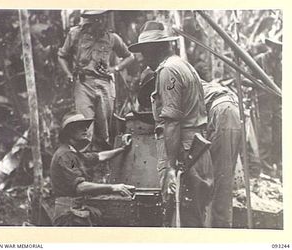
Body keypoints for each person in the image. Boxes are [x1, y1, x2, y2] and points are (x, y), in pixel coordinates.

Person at [129, 21, 213, 227]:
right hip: (195, 146)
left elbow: (172, 122)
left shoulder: (168, 71)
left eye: (145, 52)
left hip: (184, 150)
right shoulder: (183, 65)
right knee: (194, 213)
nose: (143, 58)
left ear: (155, 49)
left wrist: (170, 167)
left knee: (180, 216)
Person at [58, 10, 134, 151]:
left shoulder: (111, 38)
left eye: (103, 18)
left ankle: (102, 164)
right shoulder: (75, 34)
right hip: (83, 83)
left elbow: (130, 56)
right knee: (84, 126)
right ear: (90, 19)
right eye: (97, 19)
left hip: (105, 85)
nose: (101, 22)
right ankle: (85, 162)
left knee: (104, 128)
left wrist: (115, 68)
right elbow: (61, 55)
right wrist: (69, 74)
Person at [50, 111, 134, 226]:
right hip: (68, 214)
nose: (85, 129)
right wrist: (114, 187)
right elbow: (80, 187)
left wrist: (122, 149)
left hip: (76, 209)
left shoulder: (73, 153)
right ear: (69, 131)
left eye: (85, 126)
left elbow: (99, 156)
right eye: (79, 127)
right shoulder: (66, 155)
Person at [201, 80, 241, 228]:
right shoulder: (185, 76)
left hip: (223, 111)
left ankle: (221, 229)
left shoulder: (175, 81)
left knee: (221, 177)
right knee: (219, 175)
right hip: (224, 110)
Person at [253, 38, 282, 177]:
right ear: (270, 47)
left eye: (280, 48)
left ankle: (278, 165)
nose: (277, 51)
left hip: (278, 102)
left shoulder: (281, 63)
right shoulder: (259, 60)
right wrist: (261, 83)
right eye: (275, 47)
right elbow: (245, 79)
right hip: (264, 101)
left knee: (279, 134)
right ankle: (266, 168)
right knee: (266, 136)